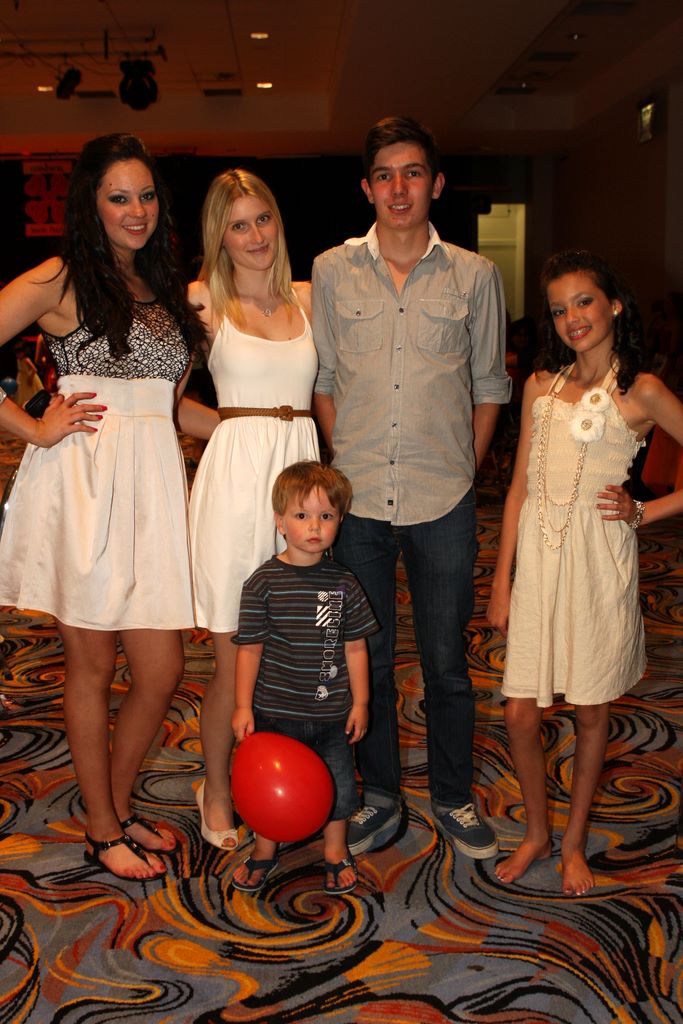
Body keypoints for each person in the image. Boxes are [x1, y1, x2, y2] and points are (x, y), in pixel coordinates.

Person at [0, 133, 206, 880]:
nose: (136, 210)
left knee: (161, 669)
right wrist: (32, 427)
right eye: (119, 197)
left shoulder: (161, 285)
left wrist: (261, 430)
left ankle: (112, 807)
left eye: (146, 195)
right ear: (91, 203)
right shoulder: (61, 278)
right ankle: (101, 827)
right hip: (85, 488)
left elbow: (167, 409)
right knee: (91, 667)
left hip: (153, 490)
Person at [312, 116, 510, 859]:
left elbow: (489, 385)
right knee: (367, 660)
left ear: (437, 183)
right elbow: (325, 380)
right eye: (385, 175)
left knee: (446, 664)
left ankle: (453, 796)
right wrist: (344, 461)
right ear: (367, 188)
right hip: (358, 501)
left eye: (413, 173)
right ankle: (383, 795)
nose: (399, 189)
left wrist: (465, 468)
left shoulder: (475, 276)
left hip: (442, 499)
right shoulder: (331, 270)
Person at [486, 249, 683, 896]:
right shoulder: (539, 386)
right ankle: (536, 833)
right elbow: (518, 488)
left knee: (590, 711)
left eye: (584, 301)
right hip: (538, 565)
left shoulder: (641, 390)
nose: (572, 317)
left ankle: (572, 844)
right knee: (520, 714)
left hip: (597, 564)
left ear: (614, 305)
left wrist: (644, 510)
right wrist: (501, 579)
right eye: (558, 309)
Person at [188, 170, 320, 852]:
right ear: (220, 237)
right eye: (237, 225)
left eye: (262, 218)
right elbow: (164, 403)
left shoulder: (310, 297)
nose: (254, 235)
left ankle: (281, 783)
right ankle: (215, 788)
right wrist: (237, 430)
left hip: (302, 494)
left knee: (296, 656)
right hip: (234, 495)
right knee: (235, 659)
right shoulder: (202, 301)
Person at [231, 461, 377, 893]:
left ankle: (335, 851)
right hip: (275, 714)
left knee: (339, 789)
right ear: (280, 522)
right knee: (269, 788)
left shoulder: (344, 583)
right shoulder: (262, 583)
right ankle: (265, 850)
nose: (315, 526)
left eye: (326, 516)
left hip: (331, 715)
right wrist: (242, 706)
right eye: (301, 515)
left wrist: (361, 702)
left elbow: (355, 647)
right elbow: (249, 650)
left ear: (339, 521)